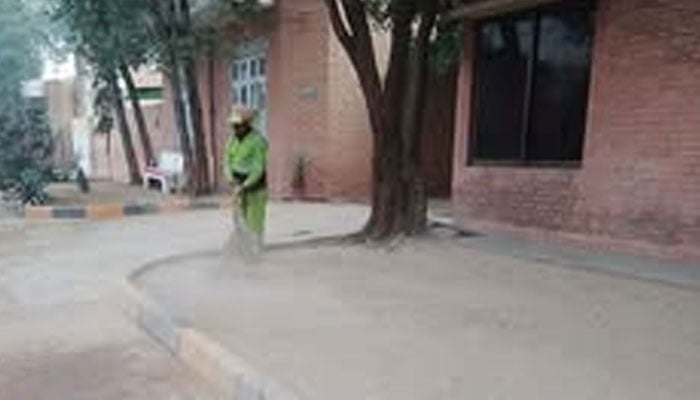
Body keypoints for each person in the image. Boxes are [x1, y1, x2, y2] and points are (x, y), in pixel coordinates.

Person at [224, 105, 268, 254]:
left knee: (254, 219)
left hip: (254, 186)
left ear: (246, 125)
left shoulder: (258, 141)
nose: (235, 129)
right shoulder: (232, 140)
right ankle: (242, 246)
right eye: (233, 126)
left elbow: (258, 167)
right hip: (237, 184)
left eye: (238, 126)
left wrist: (245, 185)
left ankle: (256, 248)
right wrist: (230, 179)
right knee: (238, 218)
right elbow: (227, 161)